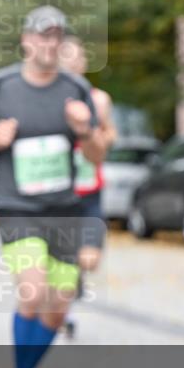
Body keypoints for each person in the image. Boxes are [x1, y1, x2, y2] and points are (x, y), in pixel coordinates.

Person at [0, 5, 106, 368]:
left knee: (57, 310)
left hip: (64, 210)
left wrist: (84, 130)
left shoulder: (76, 89)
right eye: (42, 35)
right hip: (16, 208)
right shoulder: (0, 85)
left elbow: (97, 155)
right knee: (33, 290)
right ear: (25, 40)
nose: (50, 43)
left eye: (57, 36)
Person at [60, 36, 117, 309]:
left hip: (89, 189)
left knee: (89, 259)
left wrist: (95, 141)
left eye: (79, 56)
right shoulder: (46, 99)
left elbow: (111, 133)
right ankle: (65, 312)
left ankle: (74, 277)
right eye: (67, 56)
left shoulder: (99, 99)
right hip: (58, 192)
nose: (74, 61)